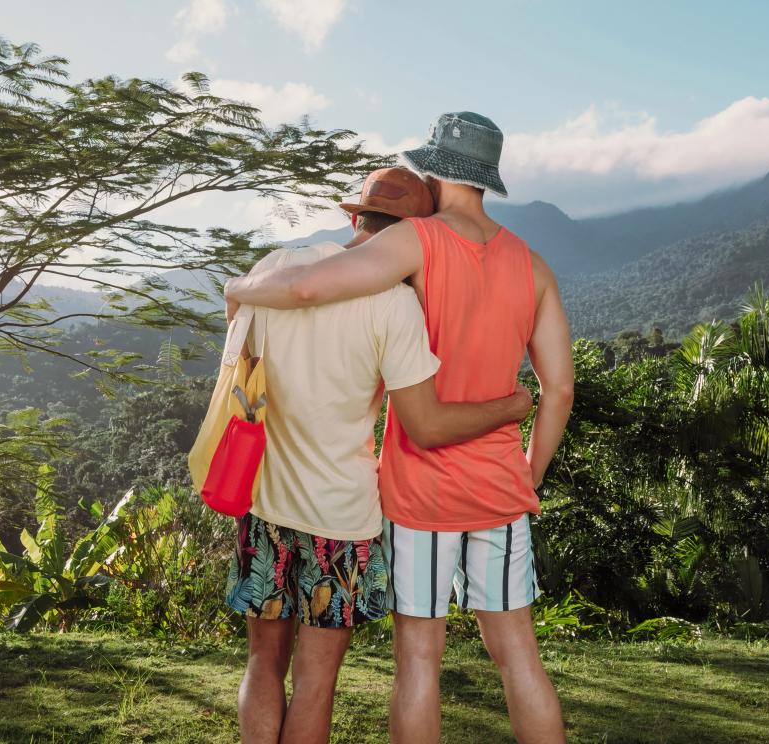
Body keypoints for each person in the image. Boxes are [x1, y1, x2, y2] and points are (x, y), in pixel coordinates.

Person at [226, 112, 574, 744]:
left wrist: (239, 287)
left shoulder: (404, 243)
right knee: (519, 656)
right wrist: (528, 474)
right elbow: (561, 391)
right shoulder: (529, 267)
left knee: (415, 663)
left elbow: (296, 308)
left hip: (406, 493)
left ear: (435, 171)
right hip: (485, 492)